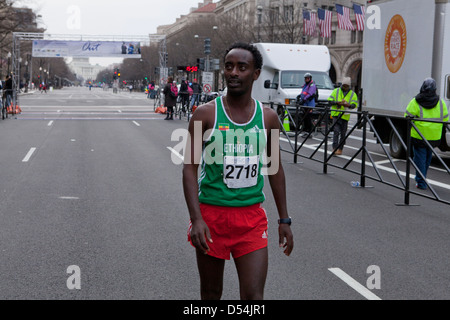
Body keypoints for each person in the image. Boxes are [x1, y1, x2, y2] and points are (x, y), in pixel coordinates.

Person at [183, 42, 294, 300]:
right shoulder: (205, 115)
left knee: (254, 297)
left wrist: (284, 219)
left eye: (242, 67)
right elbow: (189, 167)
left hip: (251, 220)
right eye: (229, 66)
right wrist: (196, 218)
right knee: (211, 293)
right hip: (212, 218)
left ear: (255, 74)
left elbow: (275, 170)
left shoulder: (268, 119)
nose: (233, 72)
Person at [405, 78, 449, 190]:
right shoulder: (440, 102)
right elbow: (446, 119)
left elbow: (407, 117)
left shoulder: (415, 101)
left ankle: (421, 182)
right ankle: (421, 178)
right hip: (434, 136)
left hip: (419, 135)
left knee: (419, 159)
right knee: (427, 158)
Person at [328, 77, 358, 155]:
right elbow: (329, 101)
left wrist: (349, 105)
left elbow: (354, 105)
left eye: (347, 86)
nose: (345, 87)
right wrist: (337, 102)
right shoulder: (336, 91)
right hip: (336, 114)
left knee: (343, 133)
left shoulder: (352, 94)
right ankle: (334, 148)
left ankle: (340, 149)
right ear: (341, 85)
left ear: (349, 86)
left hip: (345, 115)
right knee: (336, 131)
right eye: (344, 85)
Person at [296, 73, 317, 138]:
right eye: (306, 78)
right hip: (305, 104)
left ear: (310, 78)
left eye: (308, 78)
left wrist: (303, 100)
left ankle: (309, 133)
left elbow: (309, 94)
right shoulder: (305, 85)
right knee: (305, 117)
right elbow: (303, 92)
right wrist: (299, 96)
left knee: (308, 118)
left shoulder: (312, 85)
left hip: (309, 104)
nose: (306, 79)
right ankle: (306, 132)